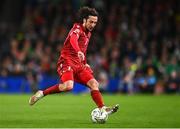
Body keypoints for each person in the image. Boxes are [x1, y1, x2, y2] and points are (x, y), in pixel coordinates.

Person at [29, 6, 119, 115]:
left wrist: (85, 63)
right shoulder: (77, 28)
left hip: (79, 65)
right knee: (68, 86)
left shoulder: (88, 33)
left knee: (94, 84)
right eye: (91, 22)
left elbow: (83, 50)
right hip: (66, 61)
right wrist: (78, 51)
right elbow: (73, 40)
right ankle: (42, 93)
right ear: (84, 20)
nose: (93, 25)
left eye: (95, 23)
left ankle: (102, 108)